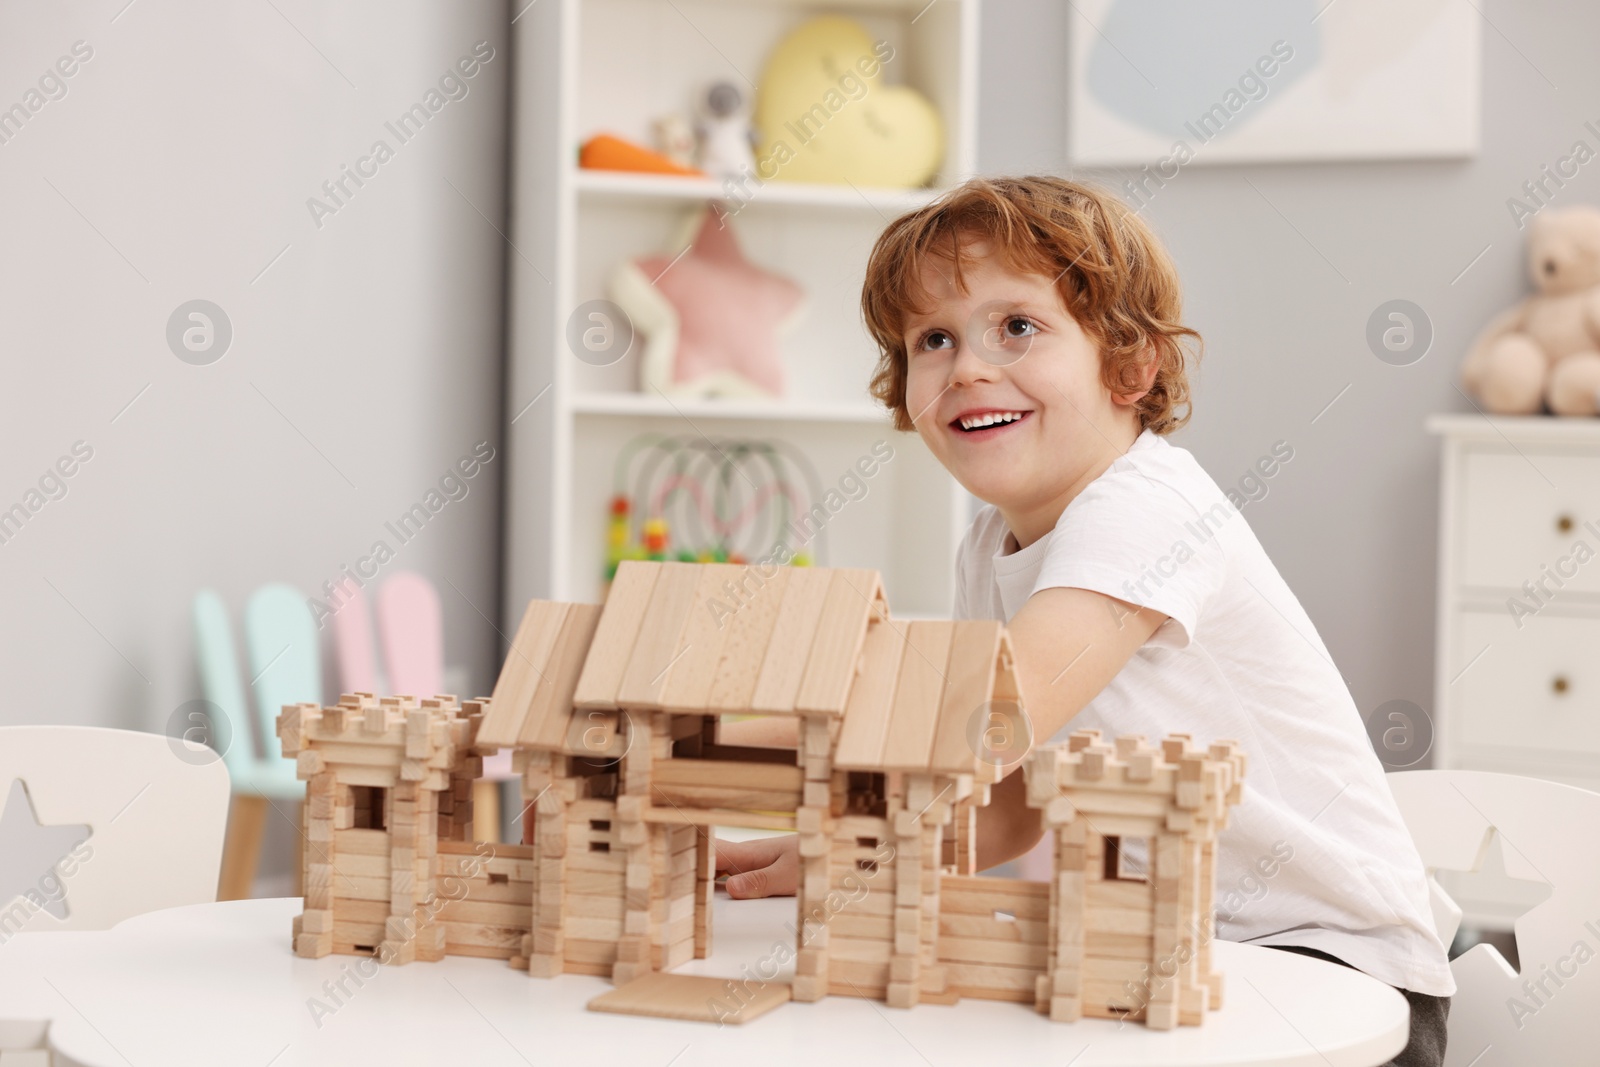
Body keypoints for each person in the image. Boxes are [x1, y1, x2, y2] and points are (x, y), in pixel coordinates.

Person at [714, 175, 1451, 1064]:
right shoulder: (991, 547)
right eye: (933, 339)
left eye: (1017, 327)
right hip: (1178, 953)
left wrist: (704, 734)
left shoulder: (1148, 507)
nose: (970, 367)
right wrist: (845, 859)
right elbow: (1010, 804)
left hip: (1332, 970)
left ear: (1131, 366)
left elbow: (976, 724)